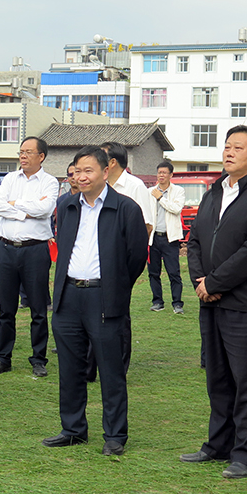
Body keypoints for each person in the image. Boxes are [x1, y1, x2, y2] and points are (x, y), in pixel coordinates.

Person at [182, 125, 247, 479]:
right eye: (226, 146)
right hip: (209, 301)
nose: (228, 152)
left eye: (237, 147)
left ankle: (244, 455)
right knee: (218, 378)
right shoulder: (213, 193)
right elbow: (194, 241)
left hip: (245, 303)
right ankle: (217, 445)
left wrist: (215, 281)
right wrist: (201, 280)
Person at [43, 145, 147, 456]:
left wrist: (115, 287)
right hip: (68, 296)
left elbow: (136, 257)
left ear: (106, 171)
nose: (82, 176)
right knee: (70, 368)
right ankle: (73, 428)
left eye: (89, 170)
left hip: (104, 296)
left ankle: (115, 435)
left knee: (110, 370)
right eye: (77, 170)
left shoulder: (125, 208)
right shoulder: (66, 205)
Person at [0, 137, 58, 377]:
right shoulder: (9, 179)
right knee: (6, 309)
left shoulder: (49, 182)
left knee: (38, 308)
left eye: (28, 152)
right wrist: (25, 212)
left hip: (35, 250)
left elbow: (45, 209)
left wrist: (16, 205)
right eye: (21, 152)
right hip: (6, 249)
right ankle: (2, 358)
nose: (23, 156)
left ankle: (39, 359)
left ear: (41, 156)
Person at [101, 142, 152, 373]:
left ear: (112, 162)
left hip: (121, 261)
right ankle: (94, 364)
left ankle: (119, 365)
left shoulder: (134, 185)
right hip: (96, 261)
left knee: (119, 313)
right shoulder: (99, 185)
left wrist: (127, 266)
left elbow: (147, 225)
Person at [147, 160, 186, 314]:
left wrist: (160, 198)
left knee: (174, 272)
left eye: (164, 173)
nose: (161, 175)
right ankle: (157, 302)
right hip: (154, 238)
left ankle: (177, 304)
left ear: (171, 175)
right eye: (159, 172)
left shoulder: (178, 191)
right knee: (153, 272)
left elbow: (176, 209)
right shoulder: (150, 191)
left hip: (170, 239)